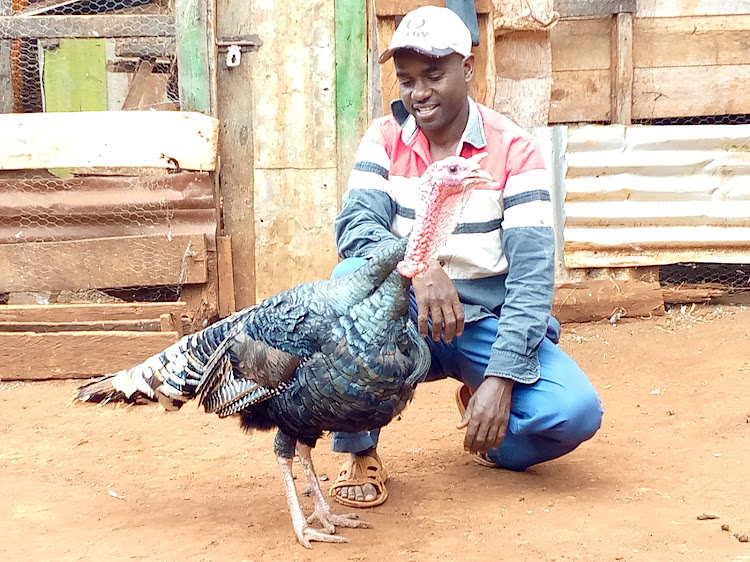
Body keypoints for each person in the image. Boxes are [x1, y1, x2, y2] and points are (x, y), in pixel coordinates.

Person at [328, 5, 603, 508]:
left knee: (574, 411)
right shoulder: (384, 138)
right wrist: (418, 267)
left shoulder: (514, 149)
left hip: (484, 321)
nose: (419, 92)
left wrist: (501, 379)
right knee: (349, 281)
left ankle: (492, 432)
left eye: (434, 75)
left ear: (468, 68)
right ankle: (358, 449)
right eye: (407, 79)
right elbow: (354, 228)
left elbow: (533, 274)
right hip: (406, 315)